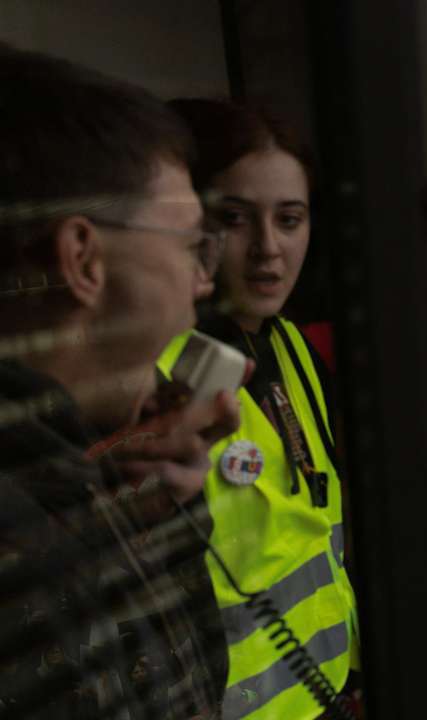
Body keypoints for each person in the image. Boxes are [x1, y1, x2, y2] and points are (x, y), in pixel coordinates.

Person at [0, 46, 237, 717]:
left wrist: (152, 522)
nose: (205, 280)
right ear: (83, 260)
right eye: (192, 244)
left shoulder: (69, 487)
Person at [162, 98, 361, 716]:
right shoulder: (160, 379)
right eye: (235, 218)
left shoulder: (294, 346)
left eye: (290, 218)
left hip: (329, 689)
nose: (268, 249)